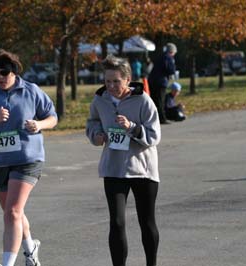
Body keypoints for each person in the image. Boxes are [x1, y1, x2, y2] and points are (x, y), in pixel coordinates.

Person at [0, 49, 58, 266]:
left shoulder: (31, 91)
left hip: (27, 158)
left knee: (13, 211)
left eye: (4, 73)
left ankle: (7, 264)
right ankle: (30, 248)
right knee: (13, 213)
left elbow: (52, 117)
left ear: (14, 72)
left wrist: (40, 124)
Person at [86, 54, 161, 266]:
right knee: (116, 222)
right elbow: (92, 122)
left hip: (142, 170)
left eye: (116, 81)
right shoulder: (100, 100)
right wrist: (97, 134)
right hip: (114, 169)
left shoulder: (143, 100)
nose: (111, 86)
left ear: (127, 80)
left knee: (146, 222)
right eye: (107, 81)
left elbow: (154, 136)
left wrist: (132, 127)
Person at [148, 42, 177, 124]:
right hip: (161, 82)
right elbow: (171, 70)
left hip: (152, 80)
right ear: (172, 51)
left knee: (154, 100)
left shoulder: (160, 56)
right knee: (160, 101)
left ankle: (153, 118)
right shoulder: (169, 58)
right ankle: (162, 119)